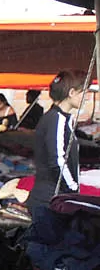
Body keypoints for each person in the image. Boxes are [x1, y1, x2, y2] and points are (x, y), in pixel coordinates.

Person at [30, 70, 86, 210]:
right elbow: (58, 160)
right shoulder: (56, 119)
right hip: (50, 199)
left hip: (53, 196)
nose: (86, 97)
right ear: (72, 92)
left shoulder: (60, 118)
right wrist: (73, 188)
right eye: (83, 92)